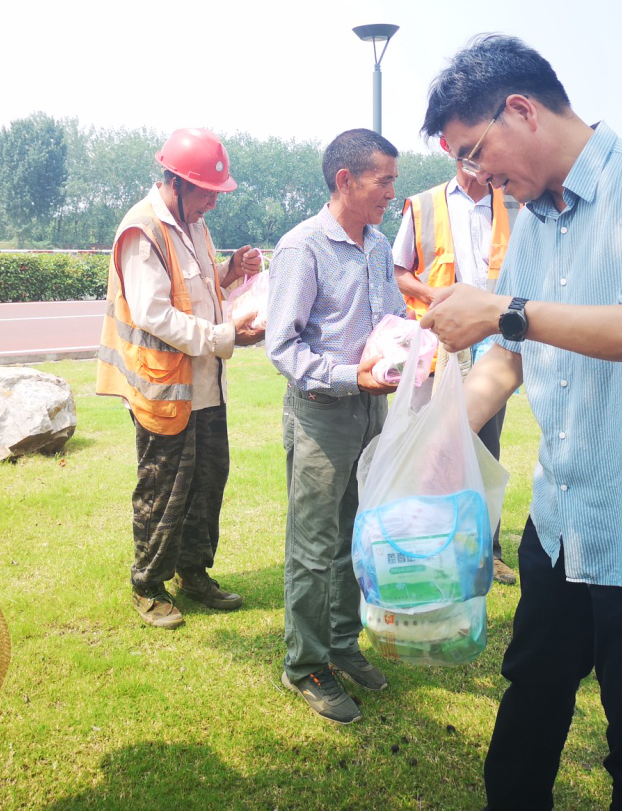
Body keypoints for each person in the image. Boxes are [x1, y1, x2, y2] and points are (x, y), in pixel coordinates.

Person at [418, 35, 622, 811]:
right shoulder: (530, 221)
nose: (473, 177)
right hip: (566, 513)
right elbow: (508, 356)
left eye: (474, 152)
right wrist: (439, 441)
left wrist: (504, 310)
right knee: (531, 690)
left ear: (522, 109)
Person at [95, 127, 264, 629]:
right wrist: (224, 337)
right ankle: (148, 585)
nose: (213, 201)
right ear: (176, 181)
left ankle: (193, 573)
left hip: (206, 386)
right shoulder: (142, 230)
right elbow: (155, 314)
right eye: (207, 191)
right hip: (164, 388)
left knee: (207, 483)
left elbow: (199, 281)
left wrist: (230, 271)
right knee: (164, 487)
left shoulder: (191, 224)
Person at [266, 128, 407, 725]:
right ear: (345, 181)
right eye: (384, 182)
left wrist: (412, 343)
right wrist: (355, 376)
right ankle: (306, 664)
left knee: (357, 535)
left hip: (371, 411)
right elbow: (283, 347)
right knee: (314, 547)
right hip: (323, 413)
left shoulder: (377, 245)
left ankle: (343, 645)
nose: (392, 196)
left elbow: (393, 314)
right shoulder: (303, 248)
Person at [392, 142, 522, 585]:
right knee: (435, 437)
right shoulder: (425, 205)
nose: (482, 167)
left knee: (486, 443)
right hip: (441, 341)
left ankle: (489, 548)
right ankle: (433, 538)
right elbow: (401, 270)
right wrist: (440, 300)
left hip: (492, 340)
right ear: (457, 156)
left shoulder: (513, 204)